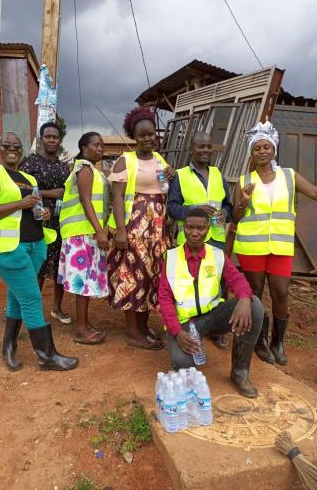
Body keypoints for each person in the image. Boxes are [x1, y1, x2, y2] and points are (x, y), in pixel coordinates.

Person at [0, 132, 78, 372]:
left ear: (22, 150)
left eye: (16, 146)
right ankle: (47, 356)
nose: (12, 149)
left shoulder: (28, 178)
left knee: (17, 297)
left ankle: (8, 347)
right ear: (0, 148)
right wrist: (19, 204)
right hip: (10, 248)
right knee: (31, 297)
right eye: (7, 145)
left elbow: (35, 208)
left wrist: (44, 214)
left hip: (35, 245)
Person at [232, 121, 317, 366]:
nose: (261, 151)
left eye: (266, 147)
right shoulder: (244, 180)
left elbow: (313, 191)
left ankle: (277, 342)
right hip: (252, 247)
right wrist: (244, 202)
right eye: (257, 147)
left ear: (274, 150)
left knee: (281, 292)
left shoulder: (289, 176)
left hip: (280, 245)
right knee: (256, 295)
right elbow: (236, 218)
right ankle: (259, 339)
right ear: (251, 152)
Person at [158, 208, 264, 398]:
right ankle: (184, 354)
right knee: (183, 365)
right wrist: (177, 332)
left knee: (254, 306)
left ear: (208, 229)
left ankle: (240, 373)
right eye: (190, 227)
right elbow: (164, 298)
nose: (194, 233)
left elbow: (237, 280)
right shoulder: (172, 257)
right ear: (183, 228)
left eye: (200, 228)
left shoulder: (217, 255)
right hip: (184, 325)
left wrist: (245, 298)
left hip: (213, 318)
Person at [106, 106, 173, 350]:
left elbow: (164, 190)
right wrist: (121, 229)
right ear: (134, 137)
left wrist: (170, 176)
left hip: (157, 230)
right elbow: (117, 196)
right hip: (134, 228)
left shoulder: (160, 160)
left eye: (151, 134)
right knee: (131, 276)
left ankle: (144, 327)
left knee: (151, 276)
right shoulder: (126, 160)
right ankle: (133, 332)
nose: (148, 138)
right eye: (142, 135)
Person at [167, 131, 232, 350]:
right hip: (190, 239)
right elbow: (173, 208)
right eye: (200, 147)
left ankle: (217, 330)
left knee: (218, 285)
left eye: (208, 146)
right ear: (191, 150)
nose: (205, 150)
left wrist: (224, 213)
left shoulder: (218, 174)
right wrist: (195, 210)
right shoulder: (180, 176)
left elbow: (228, 206)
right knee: (191, 284)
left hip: (215, 238)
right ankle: (189, 328)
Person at [58, 132, 108, 344]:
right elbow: (86, 201)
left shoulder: (90, 169)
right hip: (81, 232)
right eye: (96, 145)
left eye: (101, 146)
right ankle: (80, 329)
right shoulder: (84, 168)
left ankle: (83, 323)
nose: (100, 149)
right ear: (84, 147)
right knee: (82, 282)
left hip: (85, 231)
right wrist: (99, 230)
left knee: (86, 282)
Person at [20, 121, 71, 324]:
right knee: (38, 267)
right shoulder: (30, 163)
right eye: (48, 136)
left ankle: (57, 309)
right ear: (41, 139)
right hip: (37, 221)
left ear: (59, 141)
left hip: (60, 222)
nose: (51, 140)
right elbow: (22, 191)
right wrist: (50, 193)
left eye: (55, 137)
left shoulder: (63, 166)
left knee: (60, 266)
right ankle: (33, 310)